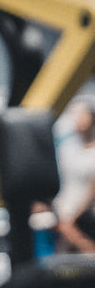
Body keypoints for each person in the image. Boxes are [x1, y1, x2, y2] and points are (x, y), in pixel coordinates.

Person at [52, 99, 95, 254]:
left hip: (84, 218)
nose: (75, 119)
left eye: (80, 114)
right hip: (64, 218)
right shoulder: (68, 150)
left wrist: (72, 220)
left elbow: (92, 188)